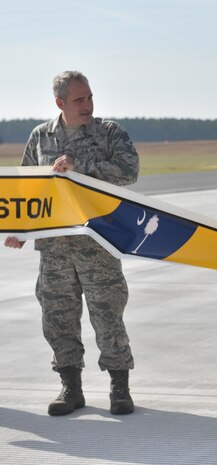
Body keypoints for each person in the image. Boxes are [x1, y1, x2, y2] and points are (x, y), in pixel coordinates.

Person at [4, 71, 139, 416]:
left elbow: (129, 170)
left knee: (108, 317)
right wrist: (19, 229)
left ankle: (119, 387)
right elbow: (29, 190)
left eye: (90, 97)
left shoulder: (109, 133)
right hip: (54, 251)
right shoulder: (40, 137)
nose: (88, 105)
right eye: (80, 100)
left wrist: (82, 166)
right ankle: (71, 387)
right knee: (58, 318)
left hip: (98, 246)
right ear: (60, 103)